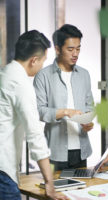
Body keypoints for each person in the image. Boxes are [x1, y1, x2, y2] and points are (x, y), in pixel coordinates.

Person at [0, 30, 66, 200]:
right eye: (42, 61)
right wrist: (49, 183)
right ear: (34, 60)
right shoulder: (21, 84)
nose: (42, 66)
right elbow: (35, 135)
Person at [33, 24, 94, 170]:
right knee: (58, 191)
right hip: (55, 150)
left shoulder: (84, 74)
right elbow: (39, 111)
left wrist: (88, 122)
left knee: (80, 191)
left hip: (81, 150)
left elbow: (89, 106)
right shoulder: (43, 76)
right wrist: (66, 112)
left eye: (78, 48)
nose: (75, 54)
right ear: (57, 49)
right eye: (70, 49)